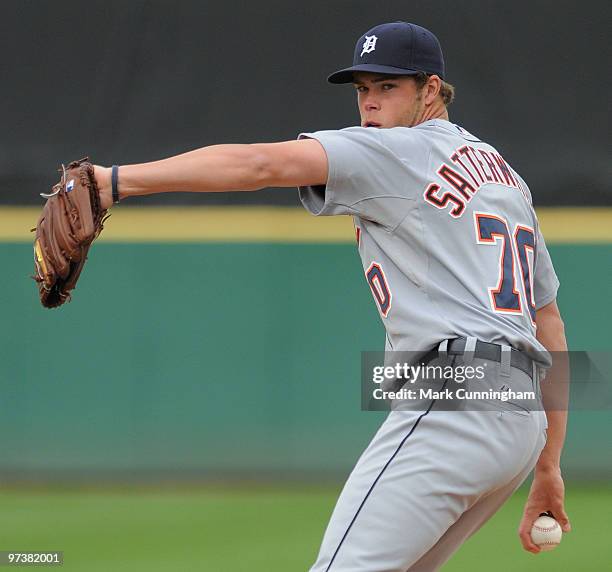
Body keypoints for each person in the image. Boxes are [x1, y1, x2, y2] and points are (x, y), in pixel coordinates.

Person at [93, 21, 570, 572]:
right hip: (520, 415)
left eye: (388, 87)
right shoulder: (508, 178)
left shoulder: (397, 150)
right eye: (362, 89)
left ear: (430, 89)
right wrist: (548, 463)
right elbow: (549, 322)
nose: (369, 103)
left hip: (456, 396)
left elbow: (259, 165)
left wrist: (115, 182)